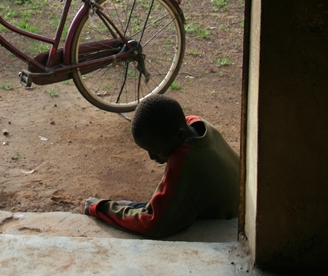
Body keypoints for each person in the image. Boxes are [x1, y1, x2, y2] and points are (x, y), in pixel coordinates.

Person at [84, 94, 239, 238]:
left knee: (134, 212)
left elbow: (153, 224)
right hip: (233, 204)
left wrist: (99, 208)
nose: (151, 157)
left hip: (228, 221)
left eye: (156, 151)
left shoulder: (186, 161)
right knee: (132, 206)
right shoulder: (197, 124)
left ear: (179, 135)